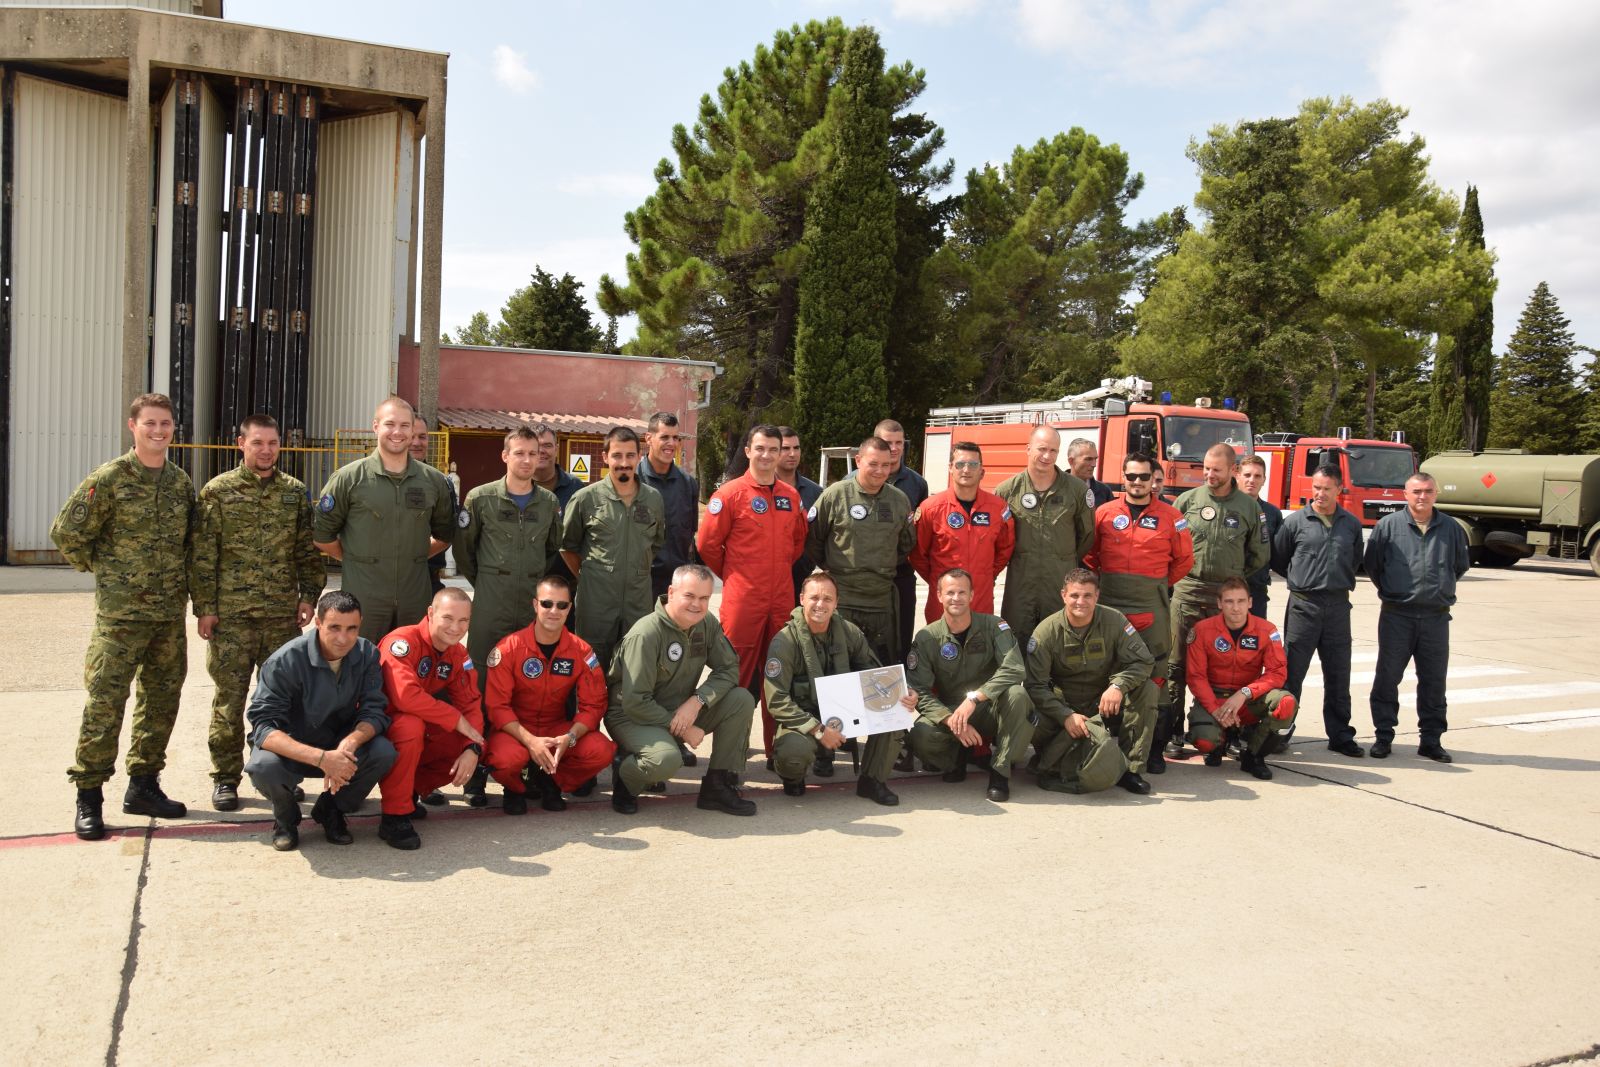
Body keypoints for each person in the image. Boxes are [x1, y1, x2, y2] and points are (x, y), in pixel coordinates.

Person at [53, 392, 196, 840]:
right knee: (105, 704)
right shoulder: (111, 478)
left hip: (168, 617)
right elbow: (67, 533)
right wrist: (106, 571)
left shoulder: (179, 483)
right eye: (150, 423)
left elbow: (189, 544)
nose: (158, 431)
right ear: (132, 426)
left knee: (160, 702)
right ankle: (89, 795)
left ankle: (143, 785)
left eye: (165, 424)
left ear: (174, 429)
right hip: (120, 619)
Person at [190, 413, 325, 812]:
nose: (266, 450)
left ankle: (282, 772)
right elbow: (202, 556)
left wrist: (309, 596)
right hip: (230, 619)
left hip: (282, 618)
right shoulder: (218, 492)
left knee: (283, 702)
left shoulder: (294, 492)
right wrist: (206, 608)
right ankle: (226, 778)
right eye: (257, 443)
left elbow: (307, 549)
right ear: (240, 444)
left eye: (272, 443)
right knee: (229, 702)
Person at [243, 590, 396, 851]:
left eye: (352, 628)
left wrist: (350, 743)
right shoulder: (284, 662)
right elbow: (264, 728)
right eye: (334, 627)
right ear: (317, 623)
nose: (343, 638)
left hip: (338, 743)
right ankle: (285, 818)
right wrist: (323, 759)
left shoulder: (367, 653)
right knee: (263, 766)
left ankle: (331, 810)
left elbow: (374, 710)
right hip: (293, 746)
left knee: (383, 751)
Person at [604, 565, 757, 816]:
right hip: (632, 716)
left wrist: (697, 701)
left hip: (679, 708)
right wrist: (685, 729)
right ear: (671, 592)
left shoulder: (705, 623)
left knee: (741, 699)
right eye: (689, 596)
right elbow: (636, 702)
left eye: (704, 598)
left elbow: (729, 669)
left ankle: (717, 787)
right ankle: (626, 777)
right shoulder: (646, 634)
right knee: (666, 760)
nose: (696, 604)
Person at [697, 424, 808, 761]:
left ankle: (779, 751)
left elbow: (798, 543)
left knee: (778, 675)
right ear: (747, 451)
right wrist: (736, 575)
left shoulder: (791, 496)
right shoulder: (729, 494)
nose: (767, 455)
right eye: (760, 448)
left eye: (773, 449)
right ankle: (732, 753)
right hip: (743, 600)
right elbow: (707, 544)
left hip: (781, 600)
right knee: (737, 677)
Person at [1080, 450, 1193, 773]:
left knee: (1155, 679)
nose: (1138, 482)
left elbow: (1185, 560)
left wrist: (1156, 585)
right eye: (1132, 476)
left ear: (1153, 480)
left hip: (1151, 608)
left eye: (1145, 476)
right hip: (1110, 605)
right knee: (1105, 671)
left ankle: (1153, 750)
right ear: (1123, 477)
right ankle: (1104, 742)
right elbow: (1089, 556)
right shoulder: (1103, 513)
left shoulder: (1172, 517)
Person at [1157, 443, 1268, 762]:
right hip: (1188, 592)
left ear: (1232, 470)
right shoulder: (1187, 501)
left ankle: (1228, 732)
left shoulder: (1249, 508)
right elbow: (1171, 547)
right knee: (1176, 664)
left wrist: (1232, 581)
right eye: (1205, 468)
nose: (1209, 474)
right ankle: (1173, 732)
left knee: (1231, 666)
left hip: (1227, 598)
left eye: (1216, 469)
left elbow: (1258, 556)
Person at [313, 397, 456, 642]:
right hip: (364, 599)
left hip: (414, 599)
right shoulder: (349, 479)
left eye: (404, 425)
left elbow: (445, 534)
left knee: (411, 666)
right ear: (376, 426)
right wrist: (357, 560)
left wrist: (414, 555)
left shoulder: (433, 482)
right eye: (390, 424)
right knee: (360, 664)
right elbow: (322, 536)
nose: (397, 432)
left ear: (413, 431)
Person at [763, 572, 913, 804]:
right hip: (805, 720)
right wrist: (819, 730)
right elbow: (777, 700)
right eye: (814, 598)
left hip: (846, 713)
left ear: (836, 602)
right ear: (801, 599)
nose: (820, 604)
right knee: (793, 753)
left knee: (894, 712)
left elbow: (874, 673)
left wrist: (903, 691)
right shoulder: (785, 642)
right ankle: (793, 777)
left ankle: (872, 780)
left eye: (827, 599)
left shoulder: (848, 632)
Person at [483, 575, 617, 812]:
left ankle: (551, 781)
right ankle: (516, 788)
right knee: (505, 759)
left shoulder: (581, 651)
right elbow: (497, 707)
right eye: (547, 603)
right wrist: (530, 741)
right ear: (535, 605)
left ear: (569, 608)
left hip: (556, 730)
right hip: (515, 731)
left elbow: (593, 706)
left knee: (601, 750)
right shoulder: (508, 648)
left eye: (561, 605)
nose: (553, 611)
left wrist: (571, 737)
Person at [1364, 472, 1470, 762]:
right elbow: (1374, 565)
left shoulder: (1451, 528)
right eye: (1416, 491)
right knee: (1387, 678)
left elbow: (1459, 566)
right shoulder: (1388, 526)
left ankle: (1431, 740)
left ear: (1436, 494)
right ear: (1405, 495)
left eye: (1428, 491)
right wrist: (1394, 590)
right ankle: (1383, 736)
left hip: (1436, 618)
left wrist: (1437, 591)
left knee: (1434, 681)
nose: (1422, 497)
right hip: (1397, 616)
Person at [1024, 569, 1157, 795]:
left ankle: (1130, 769)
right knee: (1024, 704)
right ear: (1063, 595)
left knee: (1147, 689)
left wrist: (1118, 686)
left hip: (1104, 703)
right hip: (1063, 708)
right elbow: (1035, 686)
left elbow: (1143, 661)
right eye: (1075, 595)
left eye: (1087, 595)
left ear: (1097, 596)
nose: (1081, 602)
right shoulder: (1046, 632)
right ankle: (1051, 758)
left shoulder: (1114, 621)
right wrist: (1065, 715)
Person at [906, 569, 1034, 802]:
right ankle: (955, 759)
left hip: (989, 706)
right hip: (953, 711)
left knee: (1018, 694)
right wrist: (949, 720)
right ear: (939, 596)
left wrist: (975, 698)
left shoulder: (995, 626)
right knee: (920, 733)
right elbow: (920, 690)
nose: (956, 598)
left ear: (972, 595)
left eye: (962, 592)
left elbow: (1014, 668)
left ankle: (1000, 770)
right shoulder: (926, 637)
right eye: (950, 592)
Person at [373, 589, 483, 849]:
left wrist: (473, 747)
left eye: (463, 621)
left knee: (465, 739)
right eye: (447, 618)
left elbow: (471, 704)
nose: (455, 628)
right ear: (430, 613)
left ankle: (408, 793)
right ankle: (394, 817)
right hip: (377, 728)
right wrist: (454, 718)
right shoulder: (402, 642)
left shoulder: (458, 654)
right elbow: (404, 697)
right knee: (411, 725)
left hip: (413, 724)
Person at [453, 425, 562, 677]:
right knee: (481, 667)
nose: (527, 460)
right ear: (505, 456)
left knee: (528, 669)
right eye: (519, 453)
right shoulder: (480, 498)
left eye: (533, 454)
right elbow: (463, 549)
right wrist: (487, 580)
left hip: (530, 602)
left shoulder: (549, 503)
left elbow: (551, 548)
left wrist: (529, 574)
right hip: (491, 603)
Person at [1273, 465, 1363, 758]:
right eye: (1316, 488)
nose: (1320, 494)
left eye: (1326, 488)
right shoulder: (1295, 522)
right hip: (1303, 605)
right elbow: (1279, 558)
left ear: (1339, 490)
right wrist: (1304, 579)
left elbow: (1356, 560)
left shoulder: (1350, 524)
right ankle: (1281, 732)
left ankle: (1340, 735)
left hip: (1337, 607)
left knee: (1338, 674)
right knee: (1292, 673)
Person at [560, 426, 666, 670]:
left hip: (638, 602)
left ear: (639, 457)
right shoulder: (586, 499)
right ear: (605, 457)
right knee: (590, 665)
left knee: (635, 665)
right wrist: (591, 575)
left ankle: (624, 711)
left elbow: (656, 542)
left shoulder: (653, 499)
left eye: (630, 455)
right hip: (596, 602)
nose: (624, 462)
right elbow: (567, 546)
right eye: (617, 455)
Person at [805, 436, 917, 665]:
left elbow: (906, 544)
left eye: (886, 465)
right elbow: (813, 539)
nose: (880, 471)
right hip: (842, 598)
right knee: (839, 664)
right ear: (858, 460)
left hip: (881, 600)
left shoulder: (899, 500)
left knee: (881, 666)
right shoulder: (835, 495)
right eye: (873, 464)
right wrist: (831, 566)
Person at [1184, 578, 1298, 780]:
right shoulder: (1202, 630)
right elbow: (1196, 676)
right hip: (1215, 698)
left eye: (1241, 601)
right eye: (1229, 601)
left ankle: (1253, 756)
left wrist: (1245, 693)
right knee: (1205, 741)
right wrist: (1215, 710)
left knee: (1286, 703)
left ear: (1250, 602)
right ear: (1219, 603)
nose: (1235, 608)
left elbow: (1277, 672)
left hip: (1248, 698)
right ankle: (1219, 743)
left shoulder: (1267, 630)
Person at [995, 425, 1096, 640]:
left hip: (1059, 583)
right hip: (1020, 586)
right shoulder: (1006, 491)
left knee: (1058, 639)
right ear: (1028, 449)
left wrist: (1062, 559)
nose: (1047, 456)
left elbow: (1086, 535)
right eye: (1041, 449)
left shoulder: (1077, 491)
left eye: (1053, 451)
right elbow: (998, 540)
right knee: (1016, 640)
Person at [910, 441, 1015, 623]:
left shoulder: (997, 508)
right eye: (960, 464)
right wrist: (940, 581)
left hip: (981, 600)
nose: (966, 469)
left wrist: (984, 576)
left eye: (973, 464)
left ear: (982, 470)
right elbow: (918, 554)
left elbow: (1005, 550)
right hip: (942, 604)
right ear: (951, 468)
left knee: (980, 648)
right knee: (940, 648)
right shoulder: (931, 508)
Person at [876, 419, 929, 663]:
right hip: (864, 575)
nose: (895, 448)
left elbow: (920, 531)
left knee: (901, 640)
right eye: (888, 443)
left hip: (902, 573)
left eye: (899, 443)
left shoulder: (917, 484)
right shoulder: (852, 480)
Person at [638, 411, 700, 602]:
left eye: (675, 438)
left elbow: (690, 533)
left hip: (676, 586)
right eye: (664, 437)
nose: (671, 443)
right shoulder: (633, 481)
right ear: (649, 438)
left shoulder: (688, 484)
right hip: (639, 586)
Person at [777, 425, 825, 602]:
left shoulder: (816, 493)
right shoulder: (762, 490)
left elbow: (822, 536)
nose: (792, 454)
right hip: (767, 579)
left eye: (796, 448)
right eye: (786, 448)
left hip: (803, 580)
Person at [1237, 454, 1283, 620]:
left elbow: (1278, 554)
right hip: (1226, 588)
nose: (1252, 480)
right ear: (1238, 476)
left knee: (1253, 642)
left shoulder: (1272, 513)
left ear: (1264, 480)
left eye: (1257, 476)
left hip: (1257, 589)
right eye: (1247, 475)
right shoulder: (1224, 508)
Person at [410, 414, 451, 594]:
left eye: (422, 436)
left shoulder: (440, 483)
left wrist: (411, 558)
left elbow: (447, 534)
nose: (417, 443)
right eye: (412, 436)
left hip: (427, 581)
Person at [1067, 439, 1113, 509]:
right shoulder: (1055, 488)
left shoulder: (1104, 491)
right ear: (1071, 461)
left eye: (1095, 459)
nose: (1094, 464)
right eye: (1088, 459)